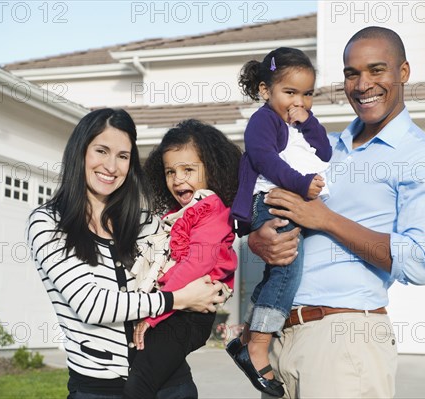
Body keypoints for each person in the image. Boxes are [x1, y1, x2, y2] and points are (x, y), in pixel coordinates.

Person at [248, 27, 425, 398]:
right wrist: (257, 240)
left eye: (377, 70)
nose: (363, 84)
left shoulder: (424, 160)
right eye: (351, 73)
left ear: (403, 73)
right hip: (282, 337)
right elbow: (267, 195)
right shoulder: (323, 147)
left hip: (344, 341)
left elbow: (422, 262)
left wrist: (326, 220)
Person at [26, 108, 225, 399]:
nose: (111, 166)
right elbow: (91, 306)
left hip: (172, 384)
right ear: (79, 152)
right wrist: (178, 299)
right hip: (99, 389)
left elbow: (200, 261)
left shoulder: (146, 222)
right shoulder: (49, 224)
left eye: (122, 156)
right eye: (101, 151)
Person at [227, 47, 331, 397]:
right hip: (269, 199)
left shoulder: (296, 123)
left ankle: (244, 339)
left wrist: (308, 120)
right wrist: (301, 184)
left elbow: (325, 152)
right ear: (264, 90)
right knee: (287, 268)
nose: (298, 101)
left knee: (278, 273)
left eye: (307, 94)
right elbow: (263, 158)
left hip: (290, 200)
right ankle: (258, 347)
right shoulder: (263, 120)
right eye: (290, 92)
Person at [122, 119, 242, 398]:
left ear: (211, 170)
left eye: (188, 170)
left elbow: (194, 266)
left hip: (187, 316)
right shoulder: (179, 215)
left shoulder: (212, 210)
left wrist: (153, 314)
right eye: (170, 171)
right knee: (156, 380)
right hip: (175, 310)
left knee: (138, 384)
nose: (178, 179)